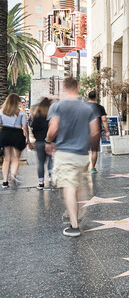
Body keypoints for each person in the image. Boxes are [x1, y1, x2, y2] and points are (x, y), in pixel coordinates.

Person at [46, 77, 99, 236]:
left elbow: (53, 129)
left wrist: (48, 141)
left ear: (64, 87)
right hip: (82, 154)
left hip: (65, 153)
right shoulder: (88, 108)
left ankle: (74, 225)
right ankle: (79, 209)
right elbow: (95, 131)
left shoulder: (57, 106)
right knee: (79, 183)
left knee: (69, 187)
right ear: (77, 87)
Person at [0, 93, 29, 188]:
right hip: (17, 134)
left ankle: (4, 182)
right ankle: (13, 175)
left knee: (6, 158)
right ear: (17, 102)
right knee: (16, 158)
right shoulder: (21, 113)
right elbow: (24, 127)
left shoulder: (1, 111)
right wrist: (27, 139)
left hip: (5, 132)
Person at [31, 97, 54, 189]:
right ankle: (51, 177)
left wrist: (37, 137)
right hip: (51, 141)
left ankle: (41, 183)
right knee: (51, 160)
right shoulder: (52, 116)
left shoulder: (37, 116)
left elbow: (33, 128)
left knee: (40, 162)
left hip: (39, 142)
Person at [86, 89, 110, 173]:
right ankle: (92, 167)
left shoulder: (83, 106)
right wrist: (107, 131)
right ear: (96, 98)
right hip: (95, 131)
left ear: (87, 97)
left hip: (83, 130)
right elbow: (104, 120)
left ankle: (84, 165)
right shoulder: (100, 107)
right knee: (94, 150)